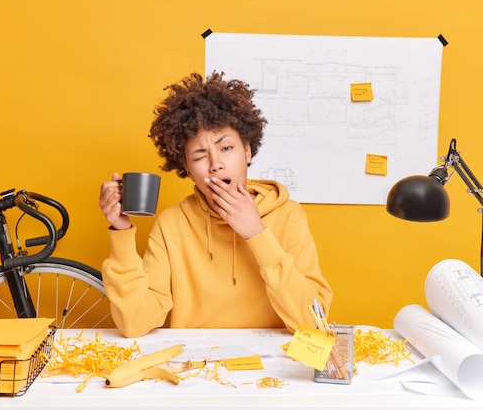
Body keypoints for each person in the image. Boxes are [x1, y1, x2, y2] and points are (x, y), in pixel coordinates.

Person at [98, 71, 333, 338]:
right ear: (186, 168)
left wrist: (257, 233)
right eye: (200, 155)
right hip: (196, 367)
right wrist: (121, 233)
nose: (215, 164)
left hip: (273, 368)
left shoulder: (289, 216)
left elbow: (315, 324)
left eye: (226, 148)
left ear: (247, 150)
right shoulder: (172, 223)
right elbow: (135, 323)